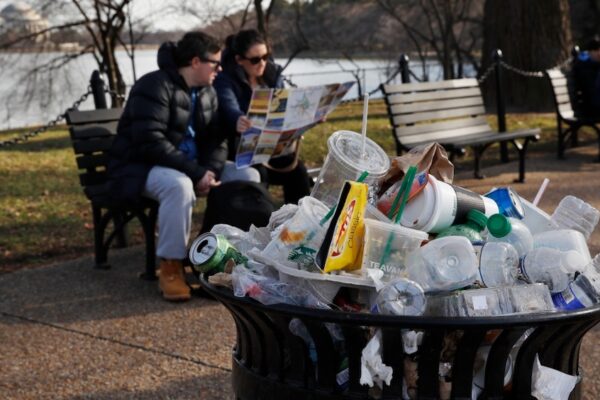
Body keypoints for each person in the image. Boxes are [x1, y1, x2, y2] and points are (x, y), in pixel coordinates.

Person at [107, 31, 260, 302]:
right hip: (141, 167)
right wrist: (197, 173)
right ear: (195, 62)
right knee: (179, 186)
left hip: (192, 168)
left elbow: (217, 140)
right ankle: (171, 267)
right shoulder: (153, 86)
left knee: (247, 174)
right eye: (215, 63)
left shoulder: (208, 92)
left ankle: (227, 257)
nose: (220, 68)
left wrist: (209, 170)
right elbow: (149, 142)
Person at [214, 29, 312, 204]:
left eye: (266, 56)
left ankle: (299, 224)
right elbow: (229, 108)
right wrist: (238, 120)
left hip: (273, 148)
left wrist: (307, 118)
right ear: (239, 60)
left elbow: (287, 108)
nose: (263, 63)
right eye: (255, 59)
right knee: (261, 174)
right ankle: (263, 225)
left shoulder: (272, 75)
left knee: (298, 171)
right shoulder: (225, 79)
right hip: (241, 151)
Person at [572, 37, 600, 119]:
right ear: (591, 51)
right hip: (590, 108)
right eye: (597, 50)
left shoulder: (592, 65)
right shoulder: (584, 67)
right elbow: (591, 91)